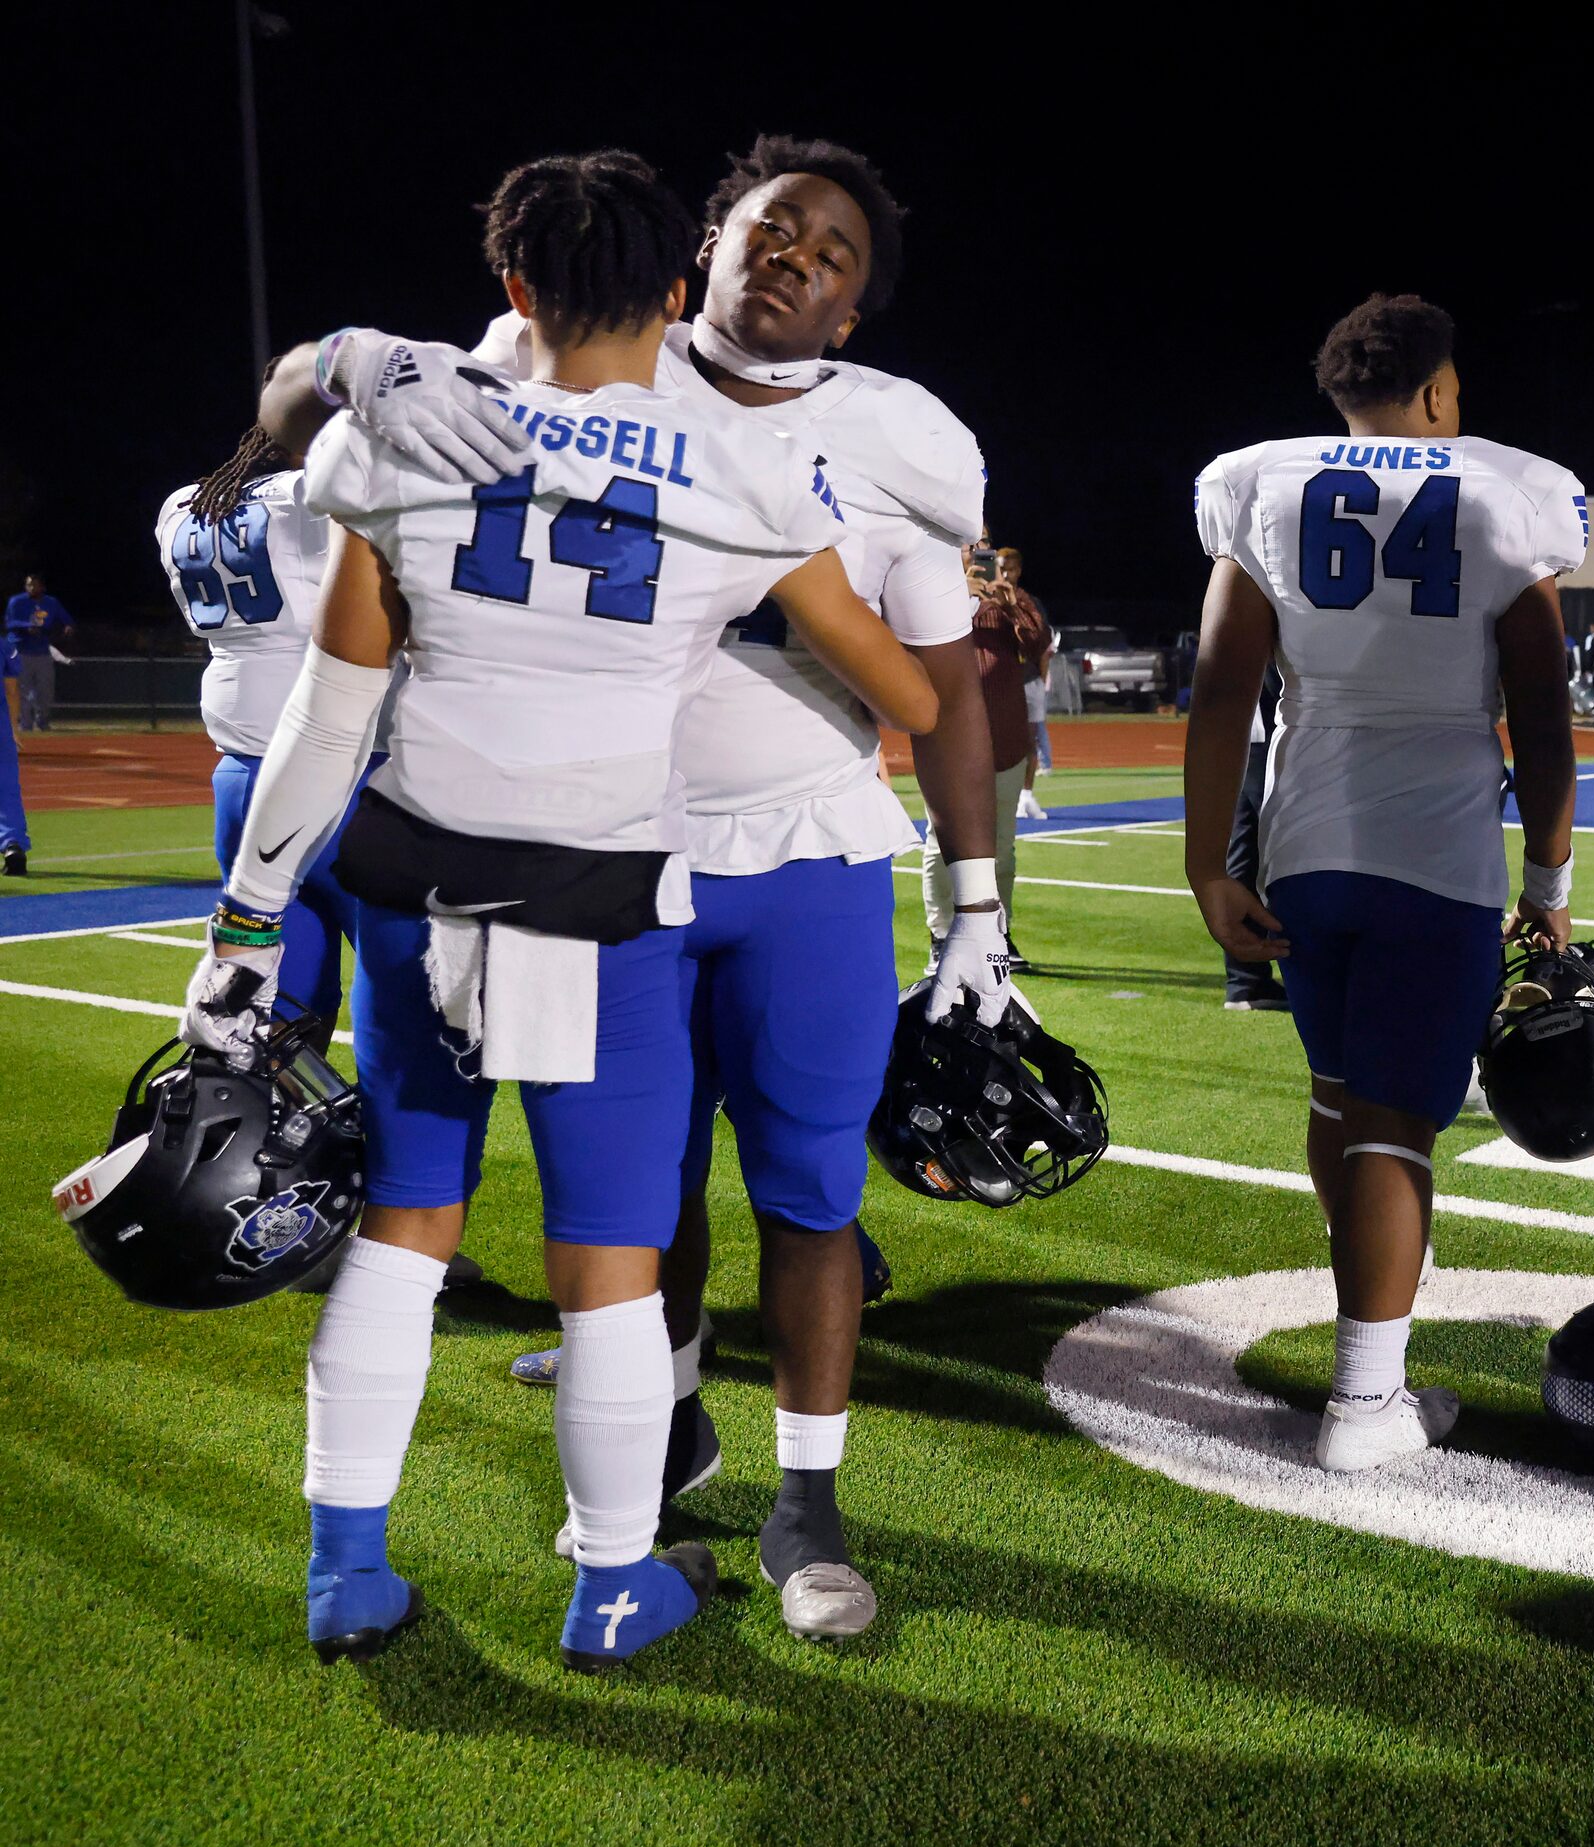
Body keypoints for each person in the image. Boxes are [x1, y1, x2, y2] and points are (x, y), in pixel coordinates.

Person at [183, 149, 936, 1672]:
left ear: (514, 288)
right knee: (605, 1253)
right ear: (675, 292)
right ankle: (610, 1581)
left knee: (404, 1230)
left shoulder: (395, 436)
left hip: (411, 883)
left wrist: (249, 924)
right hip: (604, 903)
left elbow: (329, 723)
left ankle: (347, 1570)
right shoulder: (744, 479)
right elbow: (910, 691)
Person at [1188, 292, 1582, 1472]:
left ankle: (1377, 1337)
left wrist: (1208, 862)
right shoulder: (1508, 491)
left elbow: (1219, 690)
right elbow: (1543, 715)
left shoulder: (1261, 482)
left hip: (1308, 842)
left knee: (1341, 1095)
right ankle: (1365, 1404)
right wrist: (1550, 875)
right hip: (1436, 852)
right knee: (1397, 1127)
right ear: (1439, 392)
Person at [155, 414, 374, 1036]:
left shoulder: (183, 506)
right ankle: (396, 1136)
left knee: (273, 1001)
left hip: (241, 778)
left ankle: (277, 1127)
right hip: (339, 779)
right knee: (406, 1000)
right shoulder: (310, 498)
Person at [922, 542, 1039, 968]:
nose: (976, 552)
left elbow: (1039, 643)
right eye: (968, 544)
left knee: (1003, 850)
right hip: (950, 739)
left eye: (981, 544)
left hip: (1004, 738)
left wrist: (1010, 602)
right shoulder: (930, 588)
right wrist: (962, 597)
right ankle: (941, 934)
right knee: (941, 843)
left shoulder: (1008, 597)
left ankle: (999, 933)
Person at [1221, 665, 1286, 1011]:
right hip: (1271, 736)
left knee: (1244, 855)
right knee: (1293, 852)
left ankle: (1246, 980)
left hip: (1241, 737)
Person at [1009, 545, 1055, 818]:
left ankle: (1026, 795)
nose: (1006, 574)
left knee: (1030, 739)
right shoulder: (982, 598)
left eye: (1011, 569)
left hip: (1028, 681)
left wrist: (1043, 675)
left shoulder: (1029, 602)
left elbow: (1042, 641)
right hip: (998, 683)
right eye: (1002, 568)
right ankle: (1005, 795)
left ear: (1019, 571)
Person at [5, 576, 73, 732]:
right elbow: (10, 622)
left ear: (42, 587)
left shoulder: (51, 602)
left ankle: (42, 722)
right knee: (23, 690)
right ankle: (25, 724)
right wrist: (26, 626)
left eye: (34, 585)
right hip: (21, 650)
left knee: (45, 690)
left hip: (42, 651)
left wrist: (68, 626)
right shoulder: (17, 601)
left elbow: (66, 618)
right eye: (28, 585)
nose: (31, 588)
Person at [0, 638, 25, 871]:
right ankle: (12, 845)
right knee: (7, 790)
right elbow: (11, 690)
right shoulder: (4, 646)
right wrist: (13, 729)